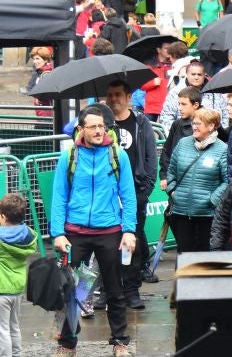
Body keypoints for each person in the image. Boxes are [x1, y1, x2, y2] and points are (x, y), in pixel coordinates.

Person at [51, 107, 137, 357]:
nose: (99, 131)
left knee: (115, 289)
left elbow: (128, 196)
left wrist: (129, 230)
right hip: (75, 232)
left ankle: (120, 341)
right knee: (71, 290)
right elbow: (59, 196)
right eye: (93, 127)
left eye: (102, 126)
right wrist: (58, 233)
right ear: (81, 129)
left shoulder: (118, 155)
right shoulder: (69, 156)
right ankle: (68, 344)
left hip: (109, 230)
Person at [106, 80, 158, 305]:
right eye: (110, 95)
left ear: (128, 97)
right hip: (108, 196)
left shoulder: (141, 122)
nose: (113, 99)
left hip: (135, 193)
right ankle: (110, 290)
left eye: (118, 94)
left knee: (132, 242)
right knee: (108, 245)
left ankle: (131, 289)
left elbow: (151, 158)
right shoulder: (102, 123)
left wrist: (145, 191)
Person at [165, 108, 228, 253]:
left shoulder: (222, 149)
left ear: (211, 126)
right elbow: (171, 171)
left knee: (204, 257)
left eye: (198, 124)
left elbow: (227, 181)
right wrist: (173, 192)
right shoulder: (183, 143)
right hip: (181, 213)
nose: (194, 127)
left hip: (207, 216)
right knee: (184, 255)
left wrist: (211, 200)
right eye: (193, 123)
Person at [0, 195, 36, 357]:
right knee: (14, 326)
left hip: (2, 289)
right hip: (17, 289)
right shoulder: (28, 235)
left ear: (3, 216)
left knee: (2, 330)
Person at [158, 62, 230, 130]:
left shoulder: (215, 92)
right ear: (187, 74)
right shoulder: (175, 92)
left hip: (214, 134)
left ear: (204, 75)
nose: (196, 77)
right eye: (193, 74)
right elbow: (166, 116)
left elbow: (225, 114)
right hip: (183, 135)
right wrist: (178, 133)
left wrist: (222, 133)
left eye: (199, 74)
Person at [159, 87, 201, 194]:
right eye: (179, 104)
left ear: (195, 105)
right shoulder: (177, 124)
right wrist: (164, 175)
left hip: (198, 183)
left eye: (184, 104)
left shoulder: (206, 124)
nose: (180, 108)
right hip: (176, 180)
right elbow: (167, 150)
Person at [139, 42, 171, 122]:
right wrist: (153, 83)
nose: (169, 50)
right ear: (159, 50)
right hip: (152, 107)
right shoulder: (150, 65)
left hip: (168, 105)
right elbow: (142, 85)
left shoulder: (173, 65)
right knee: (149, 128)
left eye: (170, 48)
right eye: (166, 48)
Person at [26, 47, 53, 117]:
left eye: (37, 59)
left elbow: (48, 92)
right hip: (41, 109)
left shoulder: (47, 73)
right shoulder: (40, 71)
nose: (35, 61)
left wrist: (39, 97)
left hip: (45, 110)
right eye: (34, 59)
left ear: (45, 59)